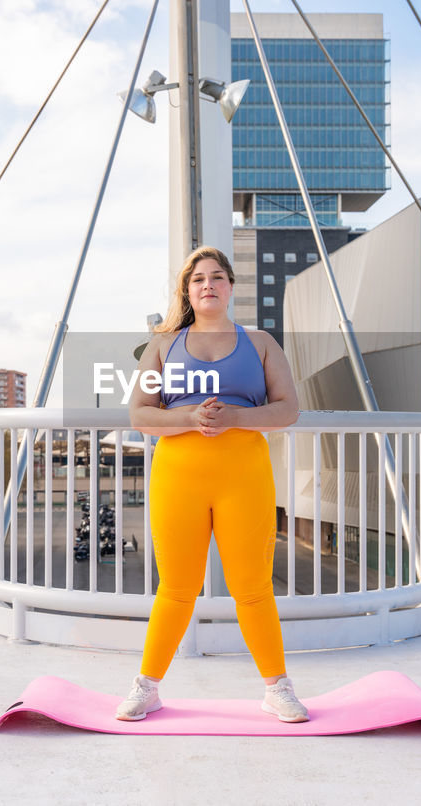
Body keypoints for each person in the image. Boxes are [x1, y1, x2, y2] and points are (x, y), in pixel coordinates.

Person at [115, 246, 308, 723]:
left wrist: (238, 416)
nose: (207, 284)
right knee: (176, 588)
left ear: (230, 286)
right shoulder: (163, 344)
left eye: (217, 277)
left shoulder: (261, 342)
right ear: (188, 289)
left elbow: (287, 409)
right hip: (178, 475)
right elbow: (140, 414)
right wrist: (187, 416)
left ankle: (277, 688)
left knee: (253, 586)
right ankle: (147, 687)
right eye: (198, 278)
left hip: (243, 475)